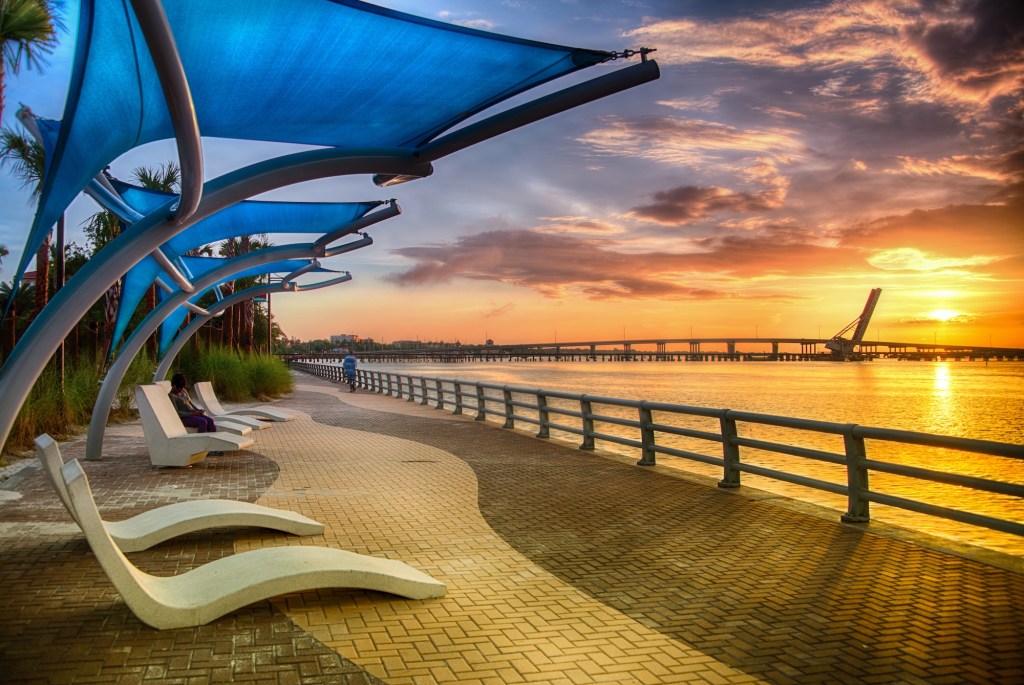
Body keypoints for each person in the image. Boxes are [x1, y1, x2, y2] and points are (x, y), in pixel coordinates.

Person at [169, 373, 219, 440]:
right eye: (180, 387)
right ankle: (201, 444)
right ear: (174, 386)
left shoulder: (183, 391)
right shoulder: (171, 396)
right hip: (184, 418)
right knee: (203, 422)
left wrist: (198, 410)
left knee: (210, 420)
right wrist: (192, 413)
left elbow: (191, 403)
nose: (182, 389)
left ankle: (214, 444)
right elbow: (177, 413)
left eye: (183, 387)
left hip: (193, 414)